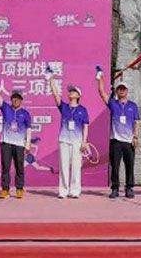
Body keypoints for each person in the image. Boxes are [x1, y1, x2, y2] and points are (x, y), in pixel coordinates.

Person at [0, 79, 32, 199]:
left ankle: (19, 189)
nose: (15, 100)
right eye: (14, 98)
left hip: (19, 144)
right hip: (6, 143)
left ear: (21, 100)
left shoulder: (25, 113)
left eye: (18, 98)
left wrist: (27, 144)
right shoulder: (6, 108)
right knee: (5, 167)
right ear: (11, 99)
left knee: (19, 167)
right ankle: (5, 190)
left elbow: (28, 129)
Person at [47, 71, 89, 199]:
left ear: (78, 95)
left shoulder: (82, 110)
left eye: (73, 91)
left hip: (77, 141)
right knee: (63, 166)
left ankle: (75, 191)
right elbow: (55, 94)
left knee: (76, 166)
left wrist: (84, 141)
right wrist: (51, 79)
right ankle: (63, 190)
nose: (71, 93)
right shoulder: (64, 107)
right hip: (64, 139)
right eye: (70, 91)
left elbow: (85, 126)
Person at [97, 76, 140, 199]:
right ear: (116, 91)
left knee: (129, 165)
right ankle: (115, 188)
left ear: (127, 91)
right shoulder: (113, 103)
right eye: (119, 89)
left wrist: (136, 136)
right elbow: (101, 92)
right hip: (115, 140)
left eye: (123, 89)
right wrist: (100, 78)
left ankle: (129, 188)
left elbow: (137, 121)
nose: (121, 90)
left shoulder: (133, 106)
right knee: (115, 166)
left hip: (129, 141)